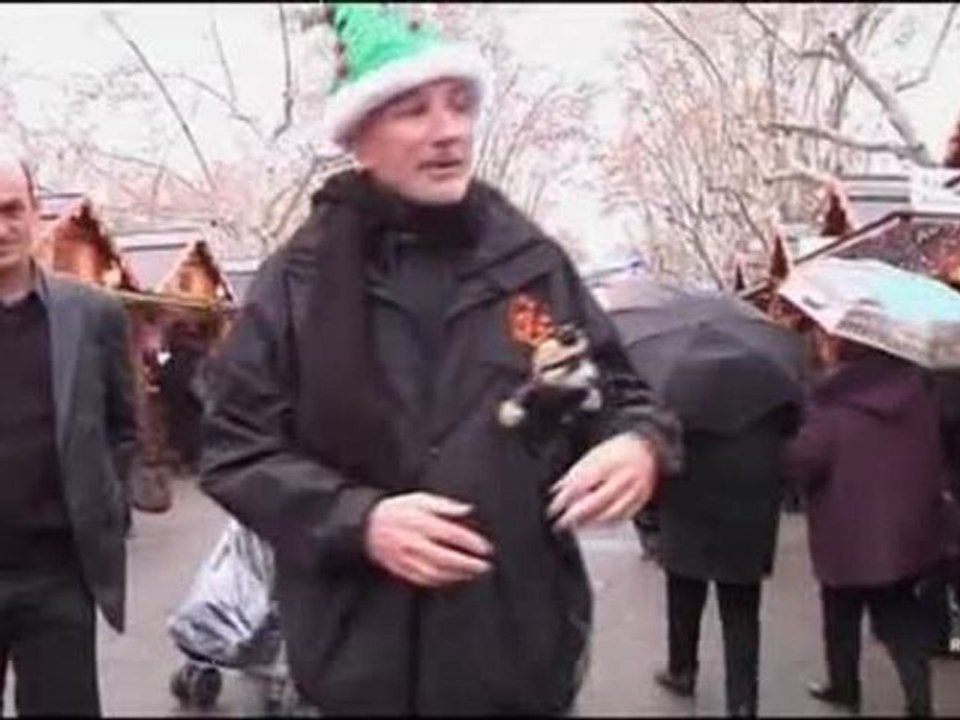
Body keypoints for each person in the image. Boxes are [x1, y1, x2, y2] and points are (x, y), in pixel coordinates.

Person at [198, 4, 680, 715]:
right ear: (359, 136)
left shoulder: (530, 264)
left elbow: (614, 393)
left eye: (459, 106)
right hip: (358, 656)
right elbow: (233, 449)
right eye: (412, 111)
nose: (447, 130)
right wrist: (359, 521)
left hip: (516, 649)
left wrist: (638, 445)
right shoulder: (298, 281)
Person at [0, 144, 138, 715]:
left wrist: (110, 507)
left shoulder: (93, 314)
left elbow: (122, 427)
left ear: (36, 214)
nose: (1, 227)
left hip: (56, 574)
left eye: (11, 209)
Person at [789, 327, 944, 717]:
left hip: (846, 535)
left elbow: (803, 464)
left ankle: (844, 686)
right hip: (907, 533)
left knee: (840, 615)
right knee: (899, 618)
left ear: (845, 350)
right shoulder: (917, 394)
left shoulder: (832, 404)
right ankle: (919, 700)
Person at [652, 403, 799, 717]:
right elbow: (790, 441)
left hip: (688, 505)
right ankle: (742, 700)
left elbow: (660, 448)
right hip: (749, 509)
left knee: (683, 597)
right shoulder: (770, 392)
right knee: (741, 612)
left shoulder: (679, 387)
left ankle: (682, 670)